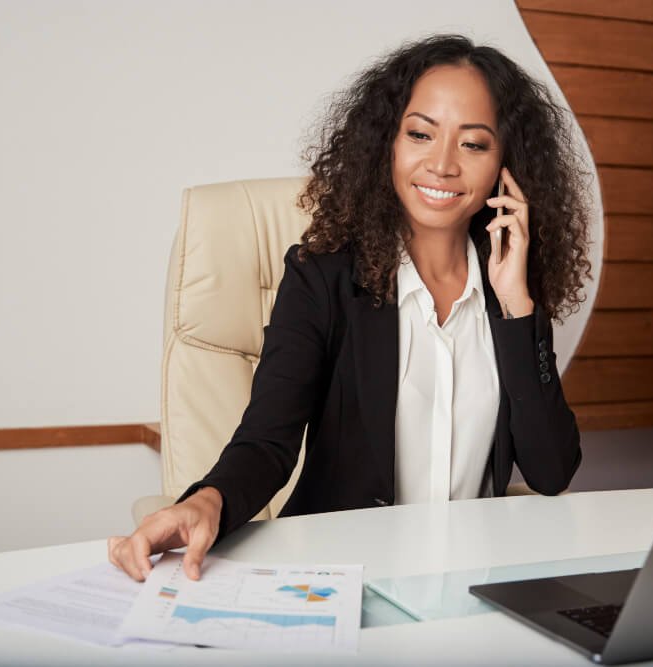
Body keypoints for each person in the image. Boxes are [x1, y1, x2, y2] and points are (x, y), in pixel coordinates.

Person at [109, 34, 592, 582]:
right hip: (340, 583)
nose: (441, 164)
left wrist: (517, 307)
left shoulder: (511, 284)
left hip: (470, 581)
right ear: (387, 143)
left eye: (474, 145)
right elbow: (268, 441)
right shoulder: (323, 277)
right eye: (420, 134)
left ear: (509, 167)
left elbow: (552, 471)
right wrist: (204, 504)